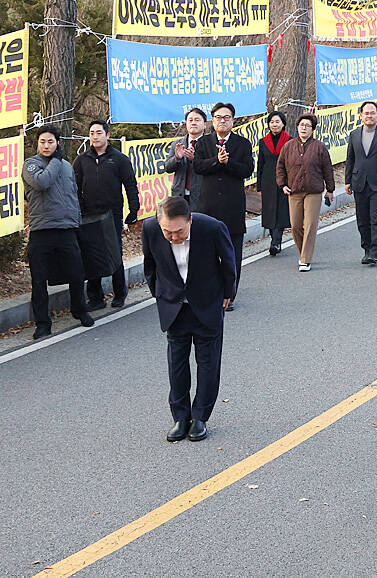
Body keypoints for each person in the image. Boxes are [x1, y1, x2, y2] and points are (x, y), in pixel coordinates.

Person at [142, 197, 236, 443]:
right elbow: (150, 267)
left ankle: (200, 417)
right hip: (174, 307)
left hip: (207, 304)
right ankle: (180, 417)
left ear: (190, 220)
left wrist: (228, 293)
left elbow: (228, 262)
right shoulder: (150, 229)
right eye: (168, 232)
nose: (173, 237)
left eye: (179, 231)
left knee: (208, 363)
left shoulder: (212, 228)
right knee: (177, 363)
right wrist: (160, 296)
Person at [21, 125, 94, 339]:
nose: (46, 145)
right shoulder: (31, 164)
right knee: (39, 281)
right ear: (37, 143)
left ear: (58, 143)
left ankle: (79, 310)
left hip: (66, 229)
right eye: (42, 141)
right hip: (41, 230)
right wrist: (55, 160)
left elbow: (72, 195)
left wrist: (76, 223)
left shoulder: (66, 166)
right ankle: (43, 323)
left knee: (76, 274)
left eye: (50, 141)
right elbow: (42, 182)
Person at [73, 120, 140, 311]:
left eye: (99, 133)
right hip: (88, 215)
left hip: (112, 214)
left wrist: (133, 210)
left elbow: (130, 185)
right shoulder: (82, 160)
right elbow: (74, 187)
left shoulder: (119, 159)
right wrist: (79, 209)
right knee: (91, 254)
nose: (95, 136)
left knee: (114, 251)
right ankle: (96, 298)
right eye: (92, 133)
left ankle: (119, 294)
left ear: (107, 135)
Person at [193, 102, 254, 311]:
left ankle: (229, 295)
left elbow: (247, 169)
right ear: (212, 120)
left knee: (232, 254)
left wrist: (229, 163)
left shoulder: (242, 144)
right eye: (218, 117)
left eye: (227, 117)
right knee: (207, 255)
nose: (222, 121)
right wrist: (217, 161)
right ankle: (211, 293)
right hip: (208, 207)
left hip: (232, 206)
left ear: (233, 121)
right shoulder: (203, 143)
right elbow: (198, 167)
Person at [275, 113, 335, 272]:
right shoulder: (288, 146)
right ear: (297, 127)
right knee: (295, 225)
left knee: (310, 224)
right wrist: (282, 184)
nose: (304, 128)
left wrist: (330, 189)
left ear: (313, 129)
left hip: (313, 191)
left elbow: (327, 169)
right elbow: (280, 167)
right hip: (294, 191)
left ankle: (305, 259)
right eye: (302, 125)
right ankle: (303, 253)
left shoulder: (319, 147)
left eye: (308, 126)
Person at [345, 101, 377, 266]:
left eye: (372, 113)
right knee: (362, 219)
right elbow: (350, 159)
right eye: (366, 113)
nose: (369, 116)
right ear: (361, 115)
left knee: (376, 218)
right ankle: (366, 248)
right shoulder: (354, 134)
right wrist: (347, 181)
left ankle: (374, 252)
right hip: (359, 182)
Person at [257, 111, 291, 256]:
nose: (274, 124)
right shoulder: (263, 142)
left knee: (281, 210)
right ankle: (274, 239)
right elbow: (260, 164)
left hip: (285, 180)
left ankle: (276, 242)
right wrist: (259, 185)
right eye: (272, 122)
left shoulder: (289, 141)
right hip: (268, 180)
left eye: (277, 122)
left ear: (283, 124)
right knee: (270, 211)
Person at [165, 108, 207, 211]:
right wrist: (177, 158)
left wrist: (195, 159)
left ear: (204, 124)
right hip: (179, 195)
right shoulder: (177, 144)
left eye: (197, 120)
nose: (193, 123)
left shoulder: (209, 144)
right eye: (190, 120)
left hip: (202, 196)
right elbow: (167, 168)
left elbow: (211, 167)